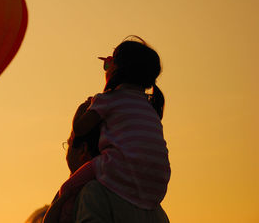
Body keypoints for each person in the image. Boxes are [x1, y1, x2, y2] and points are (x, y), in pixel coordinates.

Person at [43, 36, 171, 223]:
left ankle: (59, 215)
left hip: (116, 167)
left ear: (84, 150)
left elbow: (80, 128)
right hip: (157, 182)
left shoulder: (108, 99)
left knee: (67, 190)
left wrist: (82, 112)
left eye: (108, 65)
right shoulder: (150, 106)